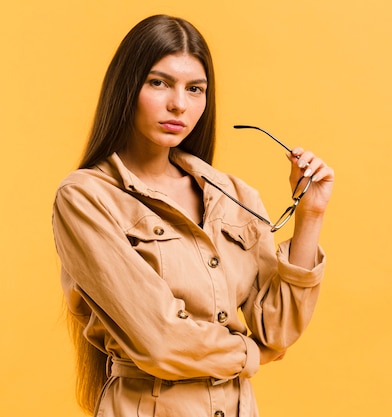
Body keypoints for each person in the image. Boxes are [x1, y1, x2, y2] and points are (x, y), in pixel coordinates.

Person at [52, 14, 334, 417]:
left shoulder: (234, 196)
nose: (178, 104)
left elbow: (278, 331)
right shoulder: (86, 198)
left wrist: (311, 213)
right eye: (159, 83)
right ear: (127, 87)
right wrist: (249, 355)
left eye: (195, 89)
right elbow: (159, 342)